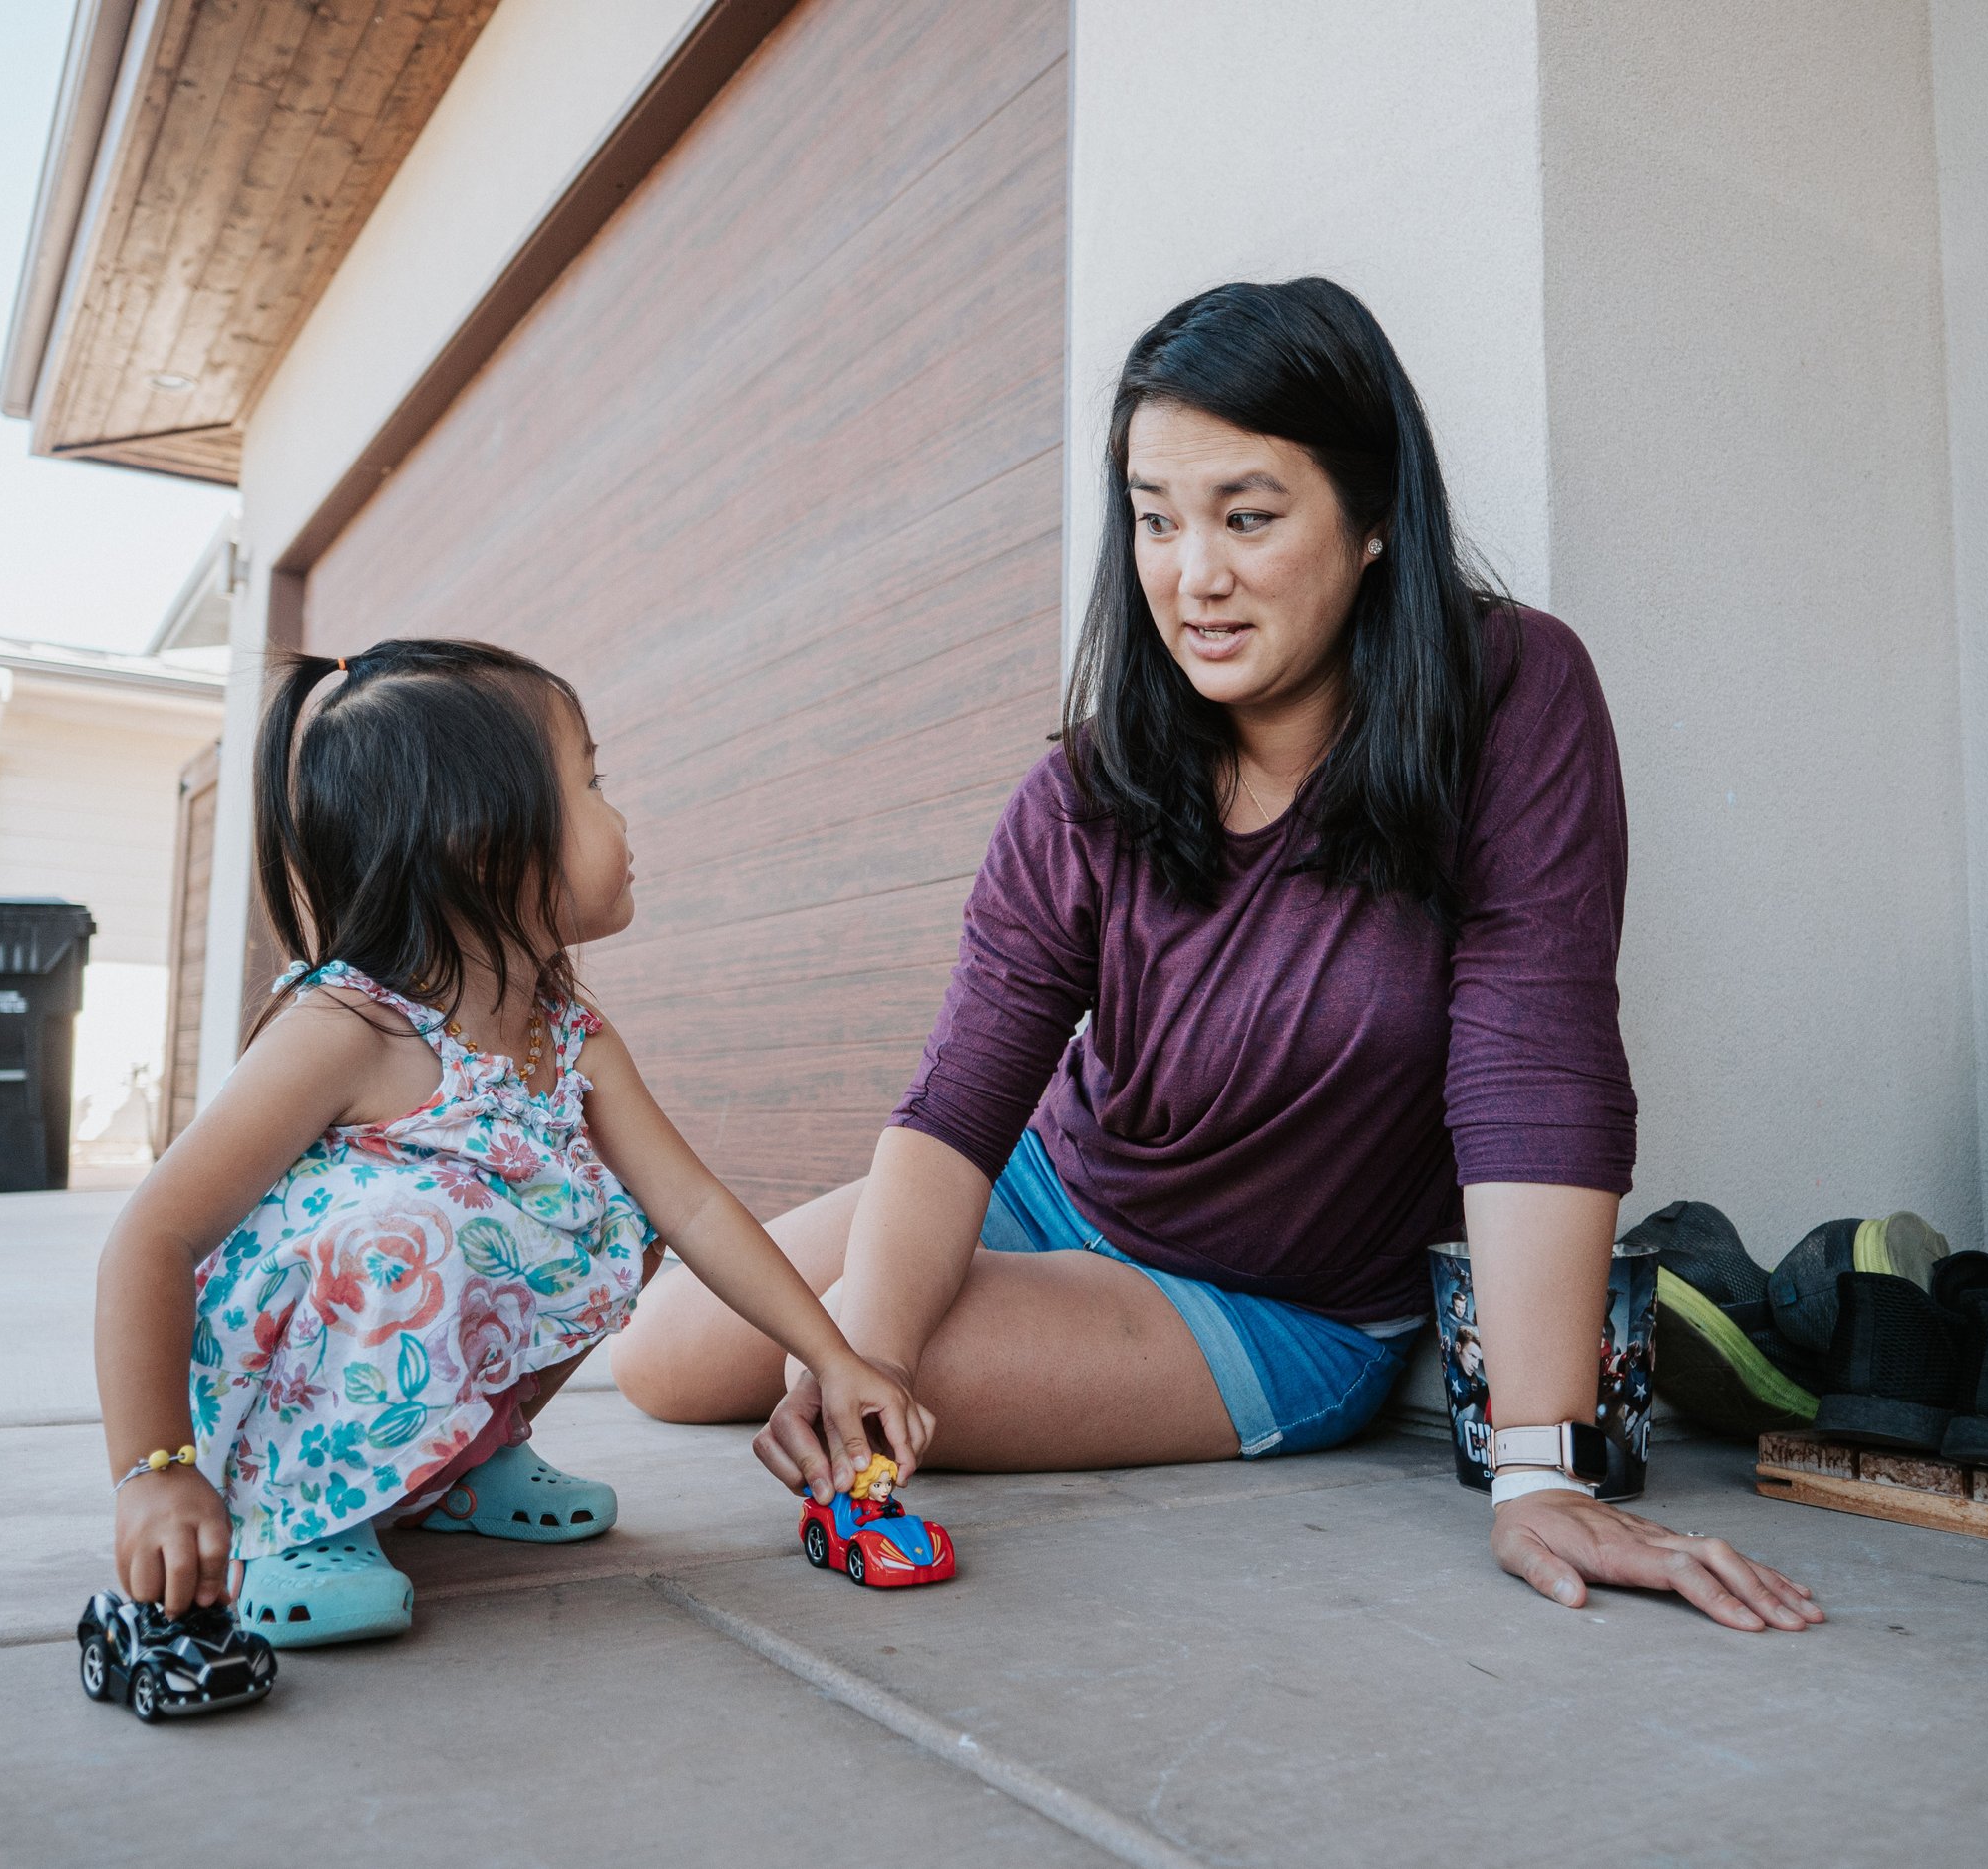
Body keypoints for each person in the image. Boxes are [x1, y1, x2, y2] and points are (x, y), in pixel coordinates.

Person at [616, 278, 1822, 1633]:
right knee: (676, 1354)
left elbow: (1532, 1054)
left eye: (1248, 517)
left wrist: (1542, 1466)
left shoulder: (1513, 696)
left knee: (848, 1347)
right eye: (1154, 518)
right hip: (1060, 1179)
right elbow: (962, 1098)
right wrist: (868, 1347)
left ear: (1372, 521)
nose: (1194, 575)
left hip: (1261, 1304)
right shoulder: (1086, 784)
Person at [94, 640, 932, 1644]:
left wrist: (831, 1357)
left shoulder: (567, 1033)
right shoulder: (348, 1030)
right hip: (285, 1405)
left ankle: (461, 1464)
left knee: (613, 1213)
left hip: (405, 1371)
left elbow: (694, 1207)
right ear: (480, 842)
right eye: (589, 783)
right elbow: (152, 1239)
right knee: (415, 1226)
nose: (619, 816)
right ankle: (302, 1527)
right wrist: (155, 1471)